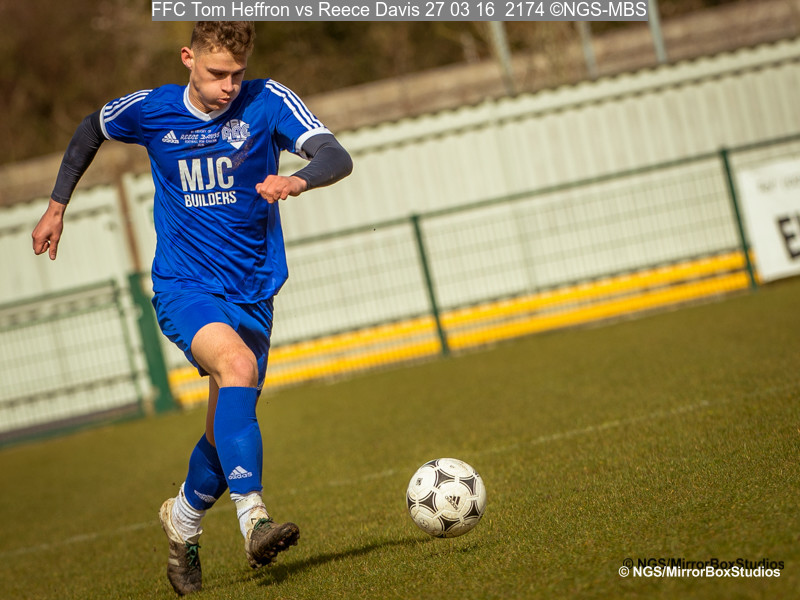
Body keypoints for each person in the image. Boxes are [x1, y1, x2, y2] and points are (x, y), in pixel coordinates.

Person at [31, 21, 352, 596]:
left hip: (253, 291)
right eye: (216, 73)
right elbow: (91, 127)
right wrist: (57, 206)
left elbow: (335, 154)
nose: (229, 86)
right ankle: (254, 521)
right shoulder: (152, 110)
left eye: (237, 74)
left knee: (224, 431)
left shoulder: (268, 100)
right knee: (238, 366)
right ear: (188, 58)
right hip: (185, 286)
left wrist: (298, 181)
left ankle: (182, 520)